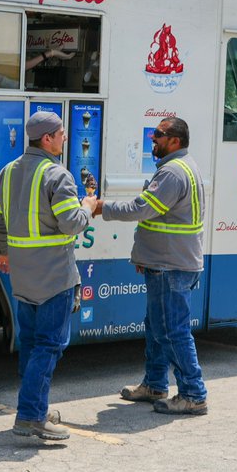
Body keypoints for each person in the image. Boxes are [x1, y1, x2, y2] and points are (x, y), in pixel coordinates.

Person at [90, 116, 208, 415]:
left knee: (172, 331)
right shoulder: (180, 167)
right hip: (166, 261)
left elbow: (142, 209)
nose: (152, 138)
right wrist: (146, 257)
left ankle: (193, 394)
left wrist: (102, 207)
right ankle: (155, 384)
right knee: (157, 326)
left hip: (171, 265)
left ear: (175, 141)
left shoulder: (172, 173)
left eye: (159, 134)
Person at [0, 111, 96, 440]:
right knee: (49, 345)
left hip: (23, 276)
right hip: (54, 276)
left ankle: (34, 405)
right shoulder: (58, 175)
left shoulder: (8, 172)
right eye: (61, 133)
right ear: (47, 139)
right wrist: (88, 206)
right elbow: (71, 223)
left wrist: (3, 250)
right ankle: (31, 416)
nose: (66, 137)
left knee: (33, 344)